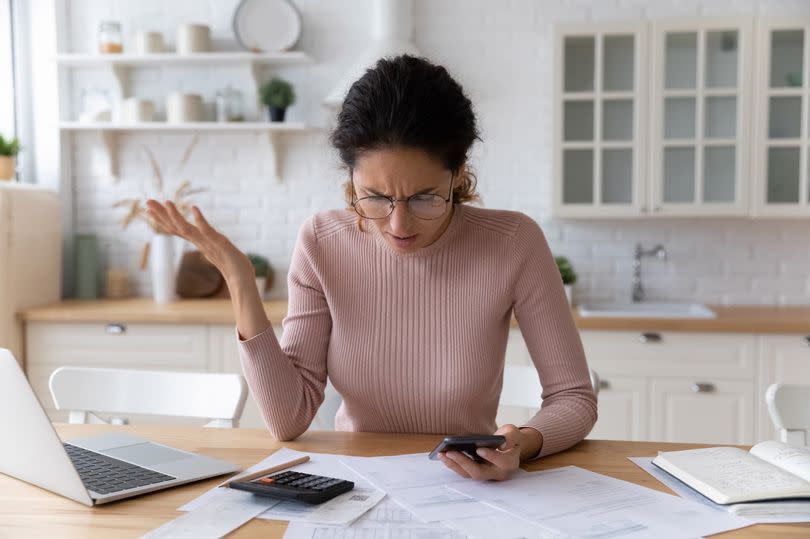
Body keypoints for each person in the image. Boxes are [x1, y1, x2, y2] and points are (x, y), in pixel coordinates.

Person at [146, 55, 596, 482]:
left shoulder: (513, 243)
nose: (398, 225)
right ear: (350, 180)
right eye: (376, 197)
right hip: (355, 486)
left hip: (468, 489)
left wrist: (526, 444)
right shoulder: (322, 242)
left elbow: (573, 398)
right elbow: (288, 419)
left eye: (424, 197)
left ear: (458, 174)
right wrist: (239, 281)